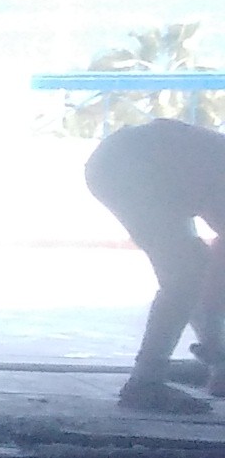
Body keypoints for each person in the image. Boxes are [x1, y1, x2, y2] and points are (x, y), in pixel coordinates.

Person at [83, 110, 225, 418]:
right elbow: (215, 273)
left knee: (190, 266)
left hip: (129, 162)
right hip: (132, 166)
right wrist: (216, 348)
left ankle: (209, 364)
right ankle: (145, 382)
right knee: (188, 272)